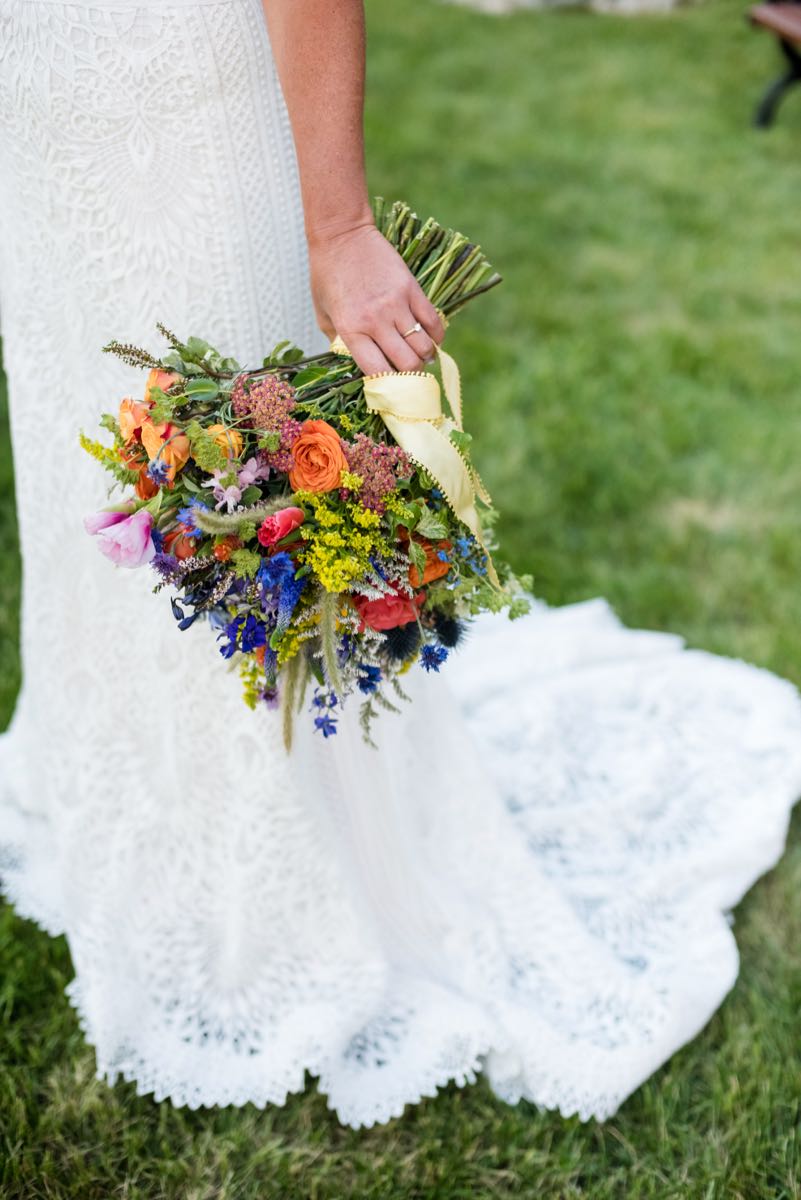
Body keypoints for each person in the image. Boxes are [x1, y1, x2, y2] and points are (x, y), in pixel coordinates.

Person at [1, 0, 800, 1130]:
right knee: (87, 462)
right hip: (39, 120)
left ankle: (295, 866)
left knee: (225, 481)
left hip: (181, 106)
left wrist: (336, 230)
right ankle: (136, 802)